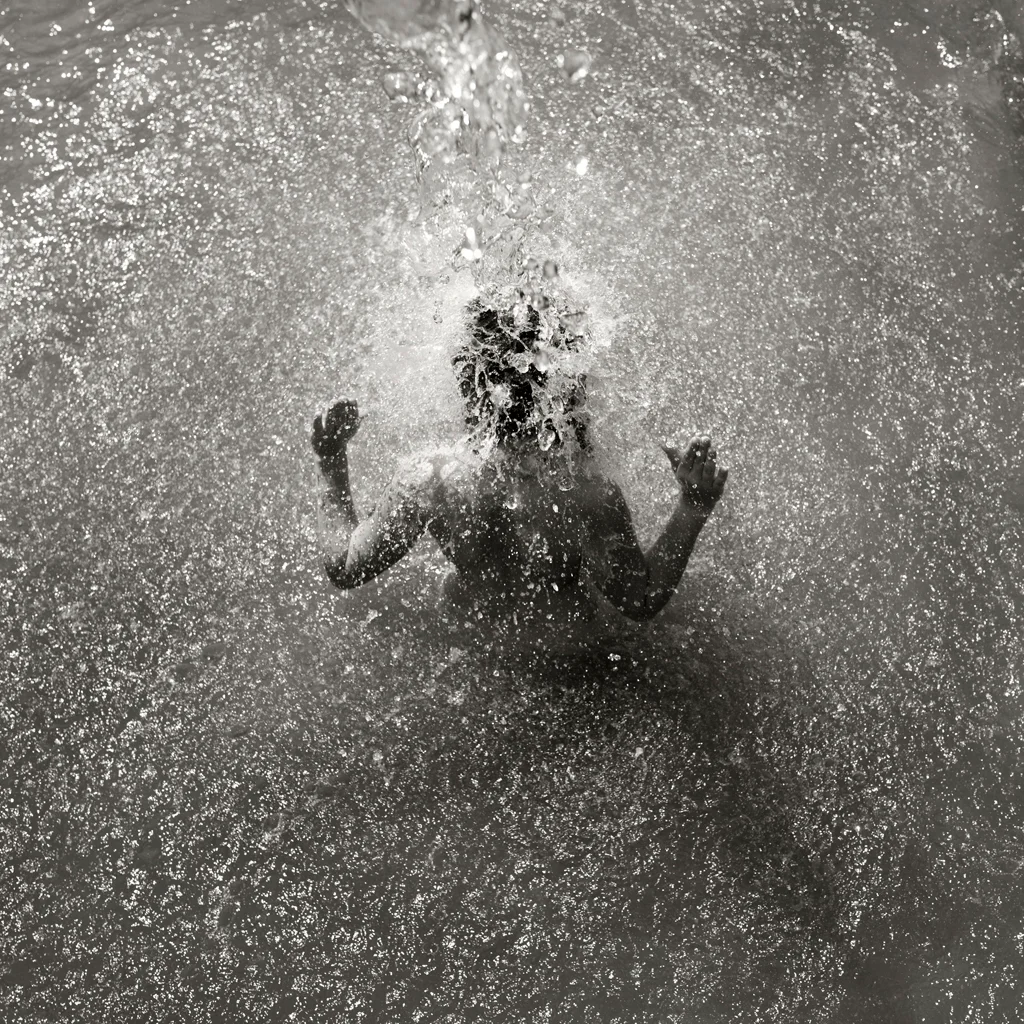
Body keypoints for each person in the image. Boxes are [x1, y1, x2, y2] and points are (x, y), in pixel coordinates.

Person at [311, 296, 728, 623]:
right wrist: (692, 507)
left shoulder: (428, 479)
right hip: (575, 668)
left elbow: (345, 567)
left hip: (471, 654)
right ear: (567, 390)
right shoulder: (587, 497)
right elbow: (640, 600)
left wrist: (332, 461)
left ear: (470, 382)